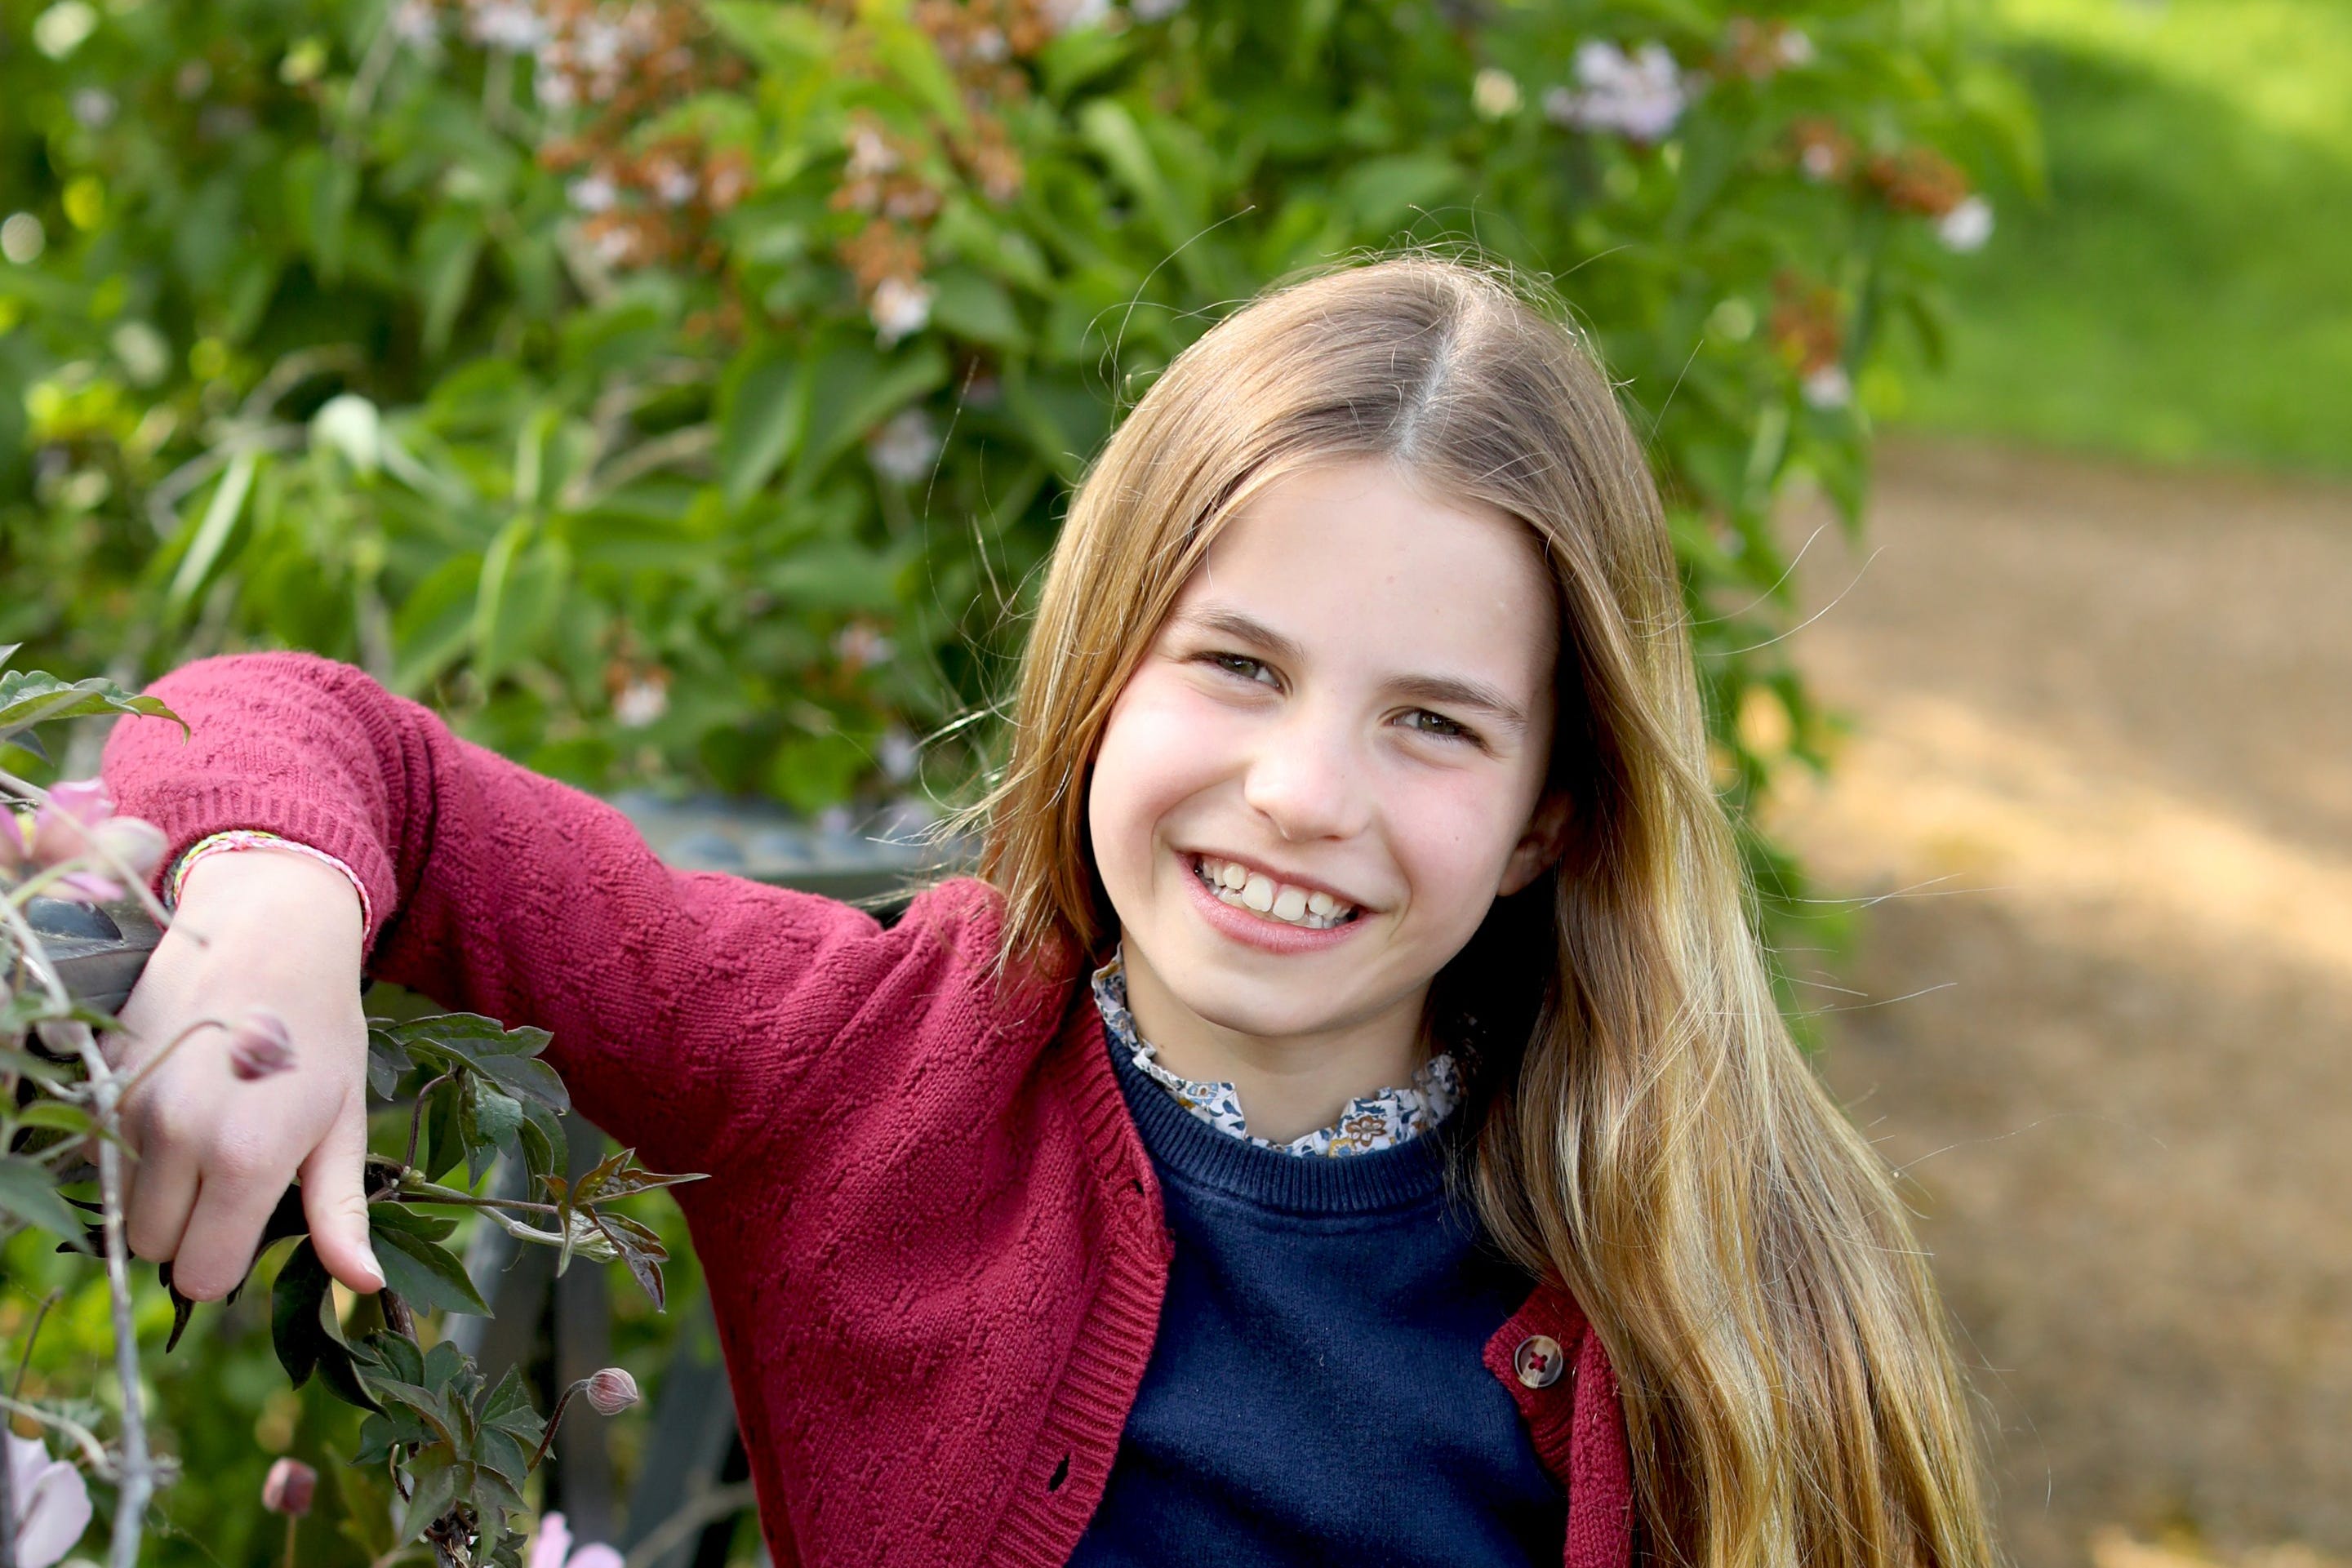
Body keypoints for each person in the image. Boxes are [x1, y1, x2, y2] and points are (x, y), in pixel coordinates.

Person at [100, 256, 1995, 1568]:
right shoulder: (862, 1063)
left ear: (1541, 816)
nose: (1304, 792)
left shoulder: (1707, 1251)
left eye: (1431, 721)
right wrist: (273, 896)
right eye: (1237, 666)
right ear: (1100, 672)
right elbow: (316, 729)